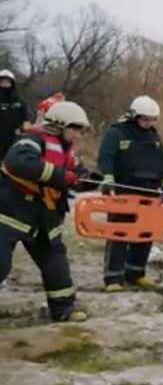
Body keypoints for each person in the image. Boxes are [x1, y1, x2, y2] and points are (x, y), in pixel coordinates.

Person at [0, 101, 95, 322]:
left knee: (55, 262)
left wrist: (87, 180)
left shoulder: (65, 150)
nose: (79, 135)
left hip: (43, 216)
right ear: (60, 126)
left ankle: (63, 309)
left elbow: (75, 173)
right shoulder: (30, 140)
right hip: (11, 213)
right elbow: (18, 162)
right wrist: (62, 177)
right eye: (76, 129)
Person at [97, 95, 163, 292]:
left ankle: (136, 273)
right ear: (134, 116)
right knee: (120, 231)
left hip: (149, 191)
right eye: (145, 120)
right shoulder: (117, 133)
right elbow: (106, 157)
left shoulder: (154, 136)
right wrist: (108, 179)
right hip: (125, 189)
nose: (148, 124)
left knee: (145, 232)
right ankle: (113, 277)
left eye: (151, 120)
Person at [0, 69, 30, 160]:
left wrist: (27, 134)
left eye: (8, 82)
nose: (5, 85)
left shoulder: (20, 101)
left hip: (14, 136)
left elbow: (25, 119)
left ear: (12, 84)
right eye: (2, 82)